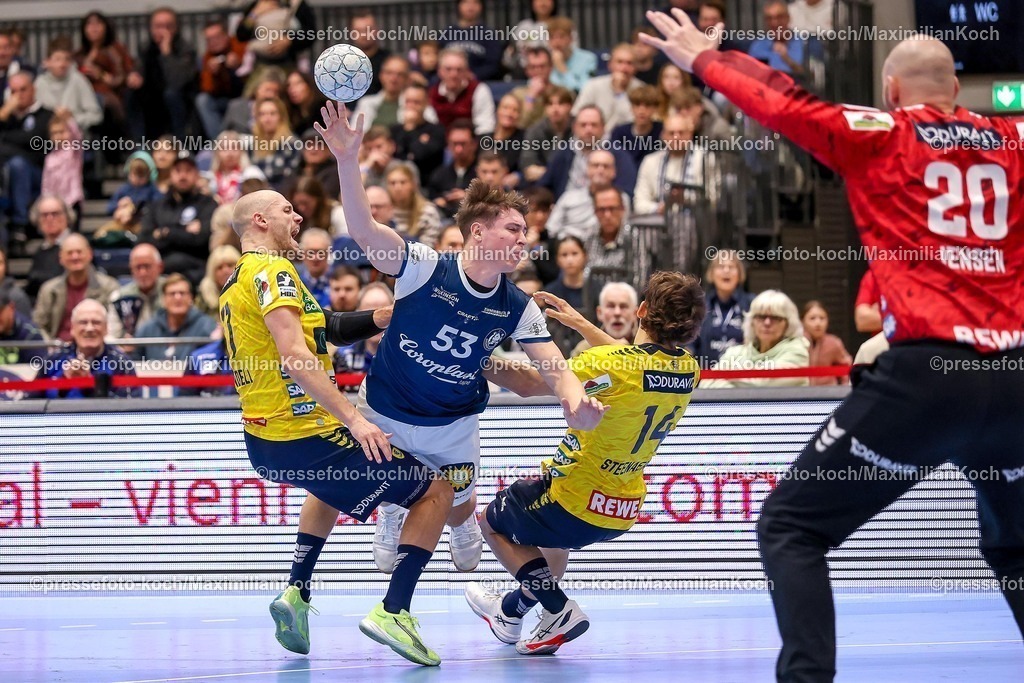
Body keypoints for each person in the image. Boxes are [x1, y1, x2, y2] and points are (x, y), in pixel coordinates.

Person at [642, 13, 1024, 681]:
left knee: (791, 526)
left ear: (891, 90)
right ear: (954, 89)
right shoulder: (1012, 137)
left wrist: (709, 60)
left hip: (930, 378)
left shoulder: (881, 132)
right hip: (1016, 380)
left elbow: (784, 103)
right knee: (1015, 546)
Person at [289, 101, 605, 629]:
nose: (523, 239)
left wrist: (577, 403)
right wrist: (347, 160)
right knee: (399, 493)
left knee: (462, 529)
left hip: (454, 422)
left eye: (525, 231)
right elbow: (365, 231)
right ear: (477, 233)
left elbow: (554, 368)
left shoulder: (518, 305)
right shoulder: (422, 266)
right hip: (386, 411)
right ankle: (391, 514)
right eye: (512, 228)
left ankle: (460, 519)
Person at [225, 188, 456, 666]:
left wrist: (382, 316)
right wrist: (353, 419)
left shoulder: (238, 278)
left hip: (265, 442)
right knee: (437, 492)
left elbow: (323, 327)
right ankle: (394, 611)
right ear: (260, 220)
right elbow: (295, 356)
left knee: (327, 484)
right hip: (302, 432)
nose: (298, 216)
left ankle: (296, 591)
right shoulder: (273, 270)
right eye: (287, 210)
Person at [463, 271, 705, 654]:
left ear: (642, 309)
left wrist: (467, 351)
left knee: (490, 523)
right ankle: (510, 613)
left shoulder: (605, 364)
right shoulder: (689, 370)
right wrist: (582, 324)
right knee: (549, 546)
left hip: (573, 497)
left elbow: (528, 383)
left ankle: (559, 610)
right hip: (622, 508)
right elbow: (636, 362)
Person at [701, 289, 809, 388]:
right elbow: (706, 383)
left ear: (788, 324)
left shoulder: (798, 350)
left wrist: (727, 377)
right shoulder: (735, 353)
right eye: (761, 317)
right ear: (752, 322)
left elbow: (764, 383)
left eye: (775, 318)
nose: (767, 323)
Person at [34, 298, 138, 399]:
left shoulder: (122, 363)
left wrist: (90, 385)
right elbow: (31, 401)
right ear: (72, 328)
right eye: (83, 322)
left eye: (96, 322)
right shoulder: (53, 359)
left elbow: (129, 406)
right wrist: (64, 383)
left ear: (106, 328)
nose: (89, 328)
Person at [33, 233, 119, 342]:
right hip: (57, 348)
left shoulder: (109, 286)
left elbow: (115, 326)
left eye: (79, 252)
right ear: (61, 258)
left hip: (96, 347)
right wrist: (49, 345)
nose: (75, 257)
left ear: (90, 254)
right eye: (69, 253)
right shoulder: (48, 289)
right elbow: (38, 325)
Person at [688, 248, 754, 367]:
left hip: (743, 373)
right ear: (711, 274)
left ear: (740, 274)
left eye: (731, 267)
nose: (726, 270)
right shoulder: (700, 304)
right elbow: (689, 344)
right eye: (721, 266)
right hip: (706, 374)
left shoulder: (752, 303)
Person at [135, 274, 217, 361]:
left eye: (182, 293)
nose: (177, 298)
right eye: (172, 294)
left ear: (191, 297)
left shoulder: (206, 326)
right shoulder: (148, 329)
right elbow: (134, 361)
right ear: (164, 299)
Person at [801, 300, 851, 386]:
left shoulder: (833, 343)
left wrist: (846, 388)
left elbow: (846, 367)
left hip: (827, 391)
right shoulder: (797, 343)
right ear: (802, 321)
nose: (818, 323)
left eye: (822, 318)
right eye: (812, 318)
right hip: (800, 391)